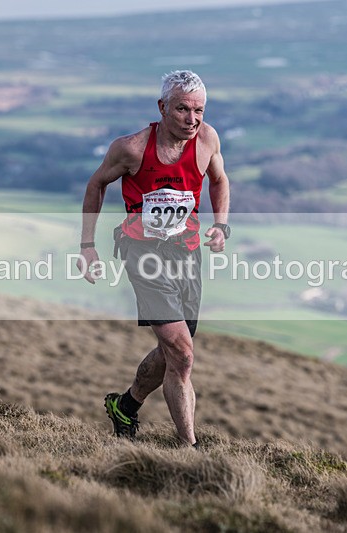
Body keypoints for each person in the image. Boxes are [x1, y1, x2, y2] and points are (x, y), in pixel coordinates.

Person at [78, 70, 230, 447]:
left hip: (188, 252)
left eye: (198, 110)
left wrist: (221, 225)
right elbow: (96, 184)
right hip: (143, 253)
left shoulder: (207, 139)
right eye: (182, 109)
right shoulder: (130, 149)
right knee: (182, 351)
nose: (192, 120)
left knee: (173, 351)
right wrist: (87, 246)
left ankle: (126, 405)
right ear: (162, 107)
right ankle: (189, 447)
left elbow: (219, 179)